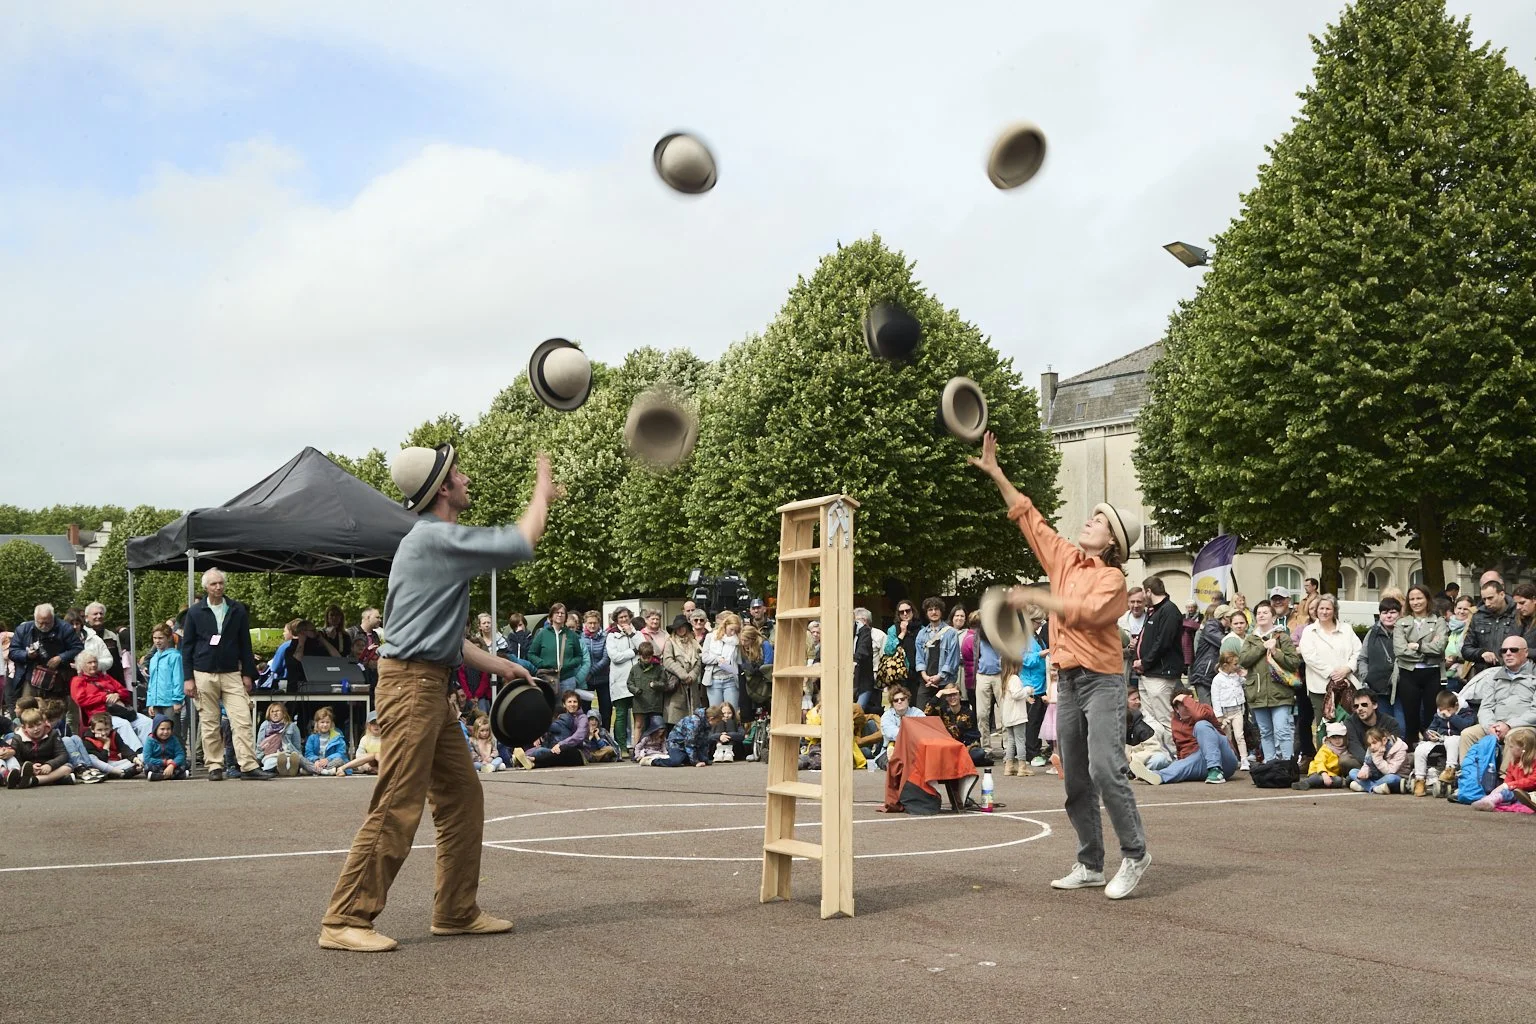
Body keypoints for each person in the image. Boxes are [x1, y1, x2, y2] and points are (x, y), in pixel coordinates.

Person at [319, 443, 552, 953]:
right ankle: (345, 918)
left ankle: (455, 912)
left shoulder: (427, 543)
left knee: (462, 799)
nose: (467, 479)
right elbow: (519, 541)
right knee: (397, 804)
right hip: (412, 688)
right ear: (443, 488)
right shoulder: (435, 539)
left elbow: (443, 637)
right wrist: (542, 490)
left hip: (429, 685)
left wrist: (503, 664)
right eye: (458, 474)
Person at [969, 431, 1150, 900]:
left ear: (1113, 540)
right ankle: (1091, 863)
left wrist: (1035, 595)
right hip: (1067, 681)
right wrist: (996, 472)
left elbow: (1087, 613)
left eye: (1098, 520)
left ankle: (1135, 855)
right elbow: (1028, 515)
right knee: (1073, 775)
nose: (1088, 522)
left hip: (1103, 683)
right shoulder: (1065, 557)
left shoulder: (1112, 579)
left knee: (1107, 769)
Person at [182, 569, 271, 781]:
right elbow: (186, 647)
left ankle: (248, 765)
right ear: (206, 587)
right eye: (213, 584)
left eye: (221, 583)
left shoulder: (237, 609)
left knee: (242, 719)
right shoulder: (195, 612)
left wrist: (248, 673)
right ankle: (214, 765)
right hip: (203, 672)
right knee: (210, 721)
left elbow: (245, 644)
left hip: (232, 672)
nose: (218, 587)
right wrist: (188, 678)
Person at [1128, 687, 1237, 786]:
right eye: (1183, 704)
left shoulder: (1204, 710)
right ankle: (1158, 776)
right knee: (1181, 763)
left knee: (1201, 725)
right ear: (1176, 709)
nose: (1187, 706)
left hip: (1224, 758)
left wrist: (1185, 699)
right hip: (1200, 762)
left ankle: (1215, 770)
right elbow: (1181, 750)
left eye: (1190, 702)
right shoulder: (1175, 722)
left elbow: (1199, 716)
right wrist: (1181, 764)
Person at [1210, 650, 1250, 771]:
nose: (1237, 666)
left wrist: (1244, 675)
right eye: (1235, 664)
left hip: (1237, 710)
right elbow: (1215, 698)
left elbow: (1246, 683)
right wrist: (1219, 715)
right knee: (1227, 737)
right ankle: (1230, 759)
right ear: (1225, 665)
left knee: (1239, 735)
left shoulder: (1237, 676)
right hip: (1225, 712)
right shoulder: (1217, 679)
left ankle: (1244, 759)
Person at [1348, 727, 1409, 794]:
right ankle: (1375, 788)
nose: (1372, 747)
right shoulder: (1372, 748)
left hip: (1395, 776)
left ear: (1384, 740)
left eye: (1374, 743)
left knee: (1392, 778)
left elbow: (1391, 771)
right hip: (1376, 776)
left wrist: (1378, 759)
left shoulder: (1399, 748)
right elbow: (1367, 764)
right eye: (1369, 744)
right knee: (1352, 772)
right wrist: (1364, 772)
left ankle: (1365, 786)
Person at [1292, 722, 1350, 791]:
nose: (1337, 740)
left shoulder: (1345, 749)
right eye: (1334, 737)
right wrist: (1324, 774)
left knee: (1338, 781)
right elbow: (1319, 762)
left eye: (1340, 737)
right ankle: (1306, 782)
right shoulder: (1325, 749)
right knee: (1318, 778)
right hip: (1317, 771)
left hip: (1332, 774)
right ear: (1329, 739)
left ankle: (1316, 784)